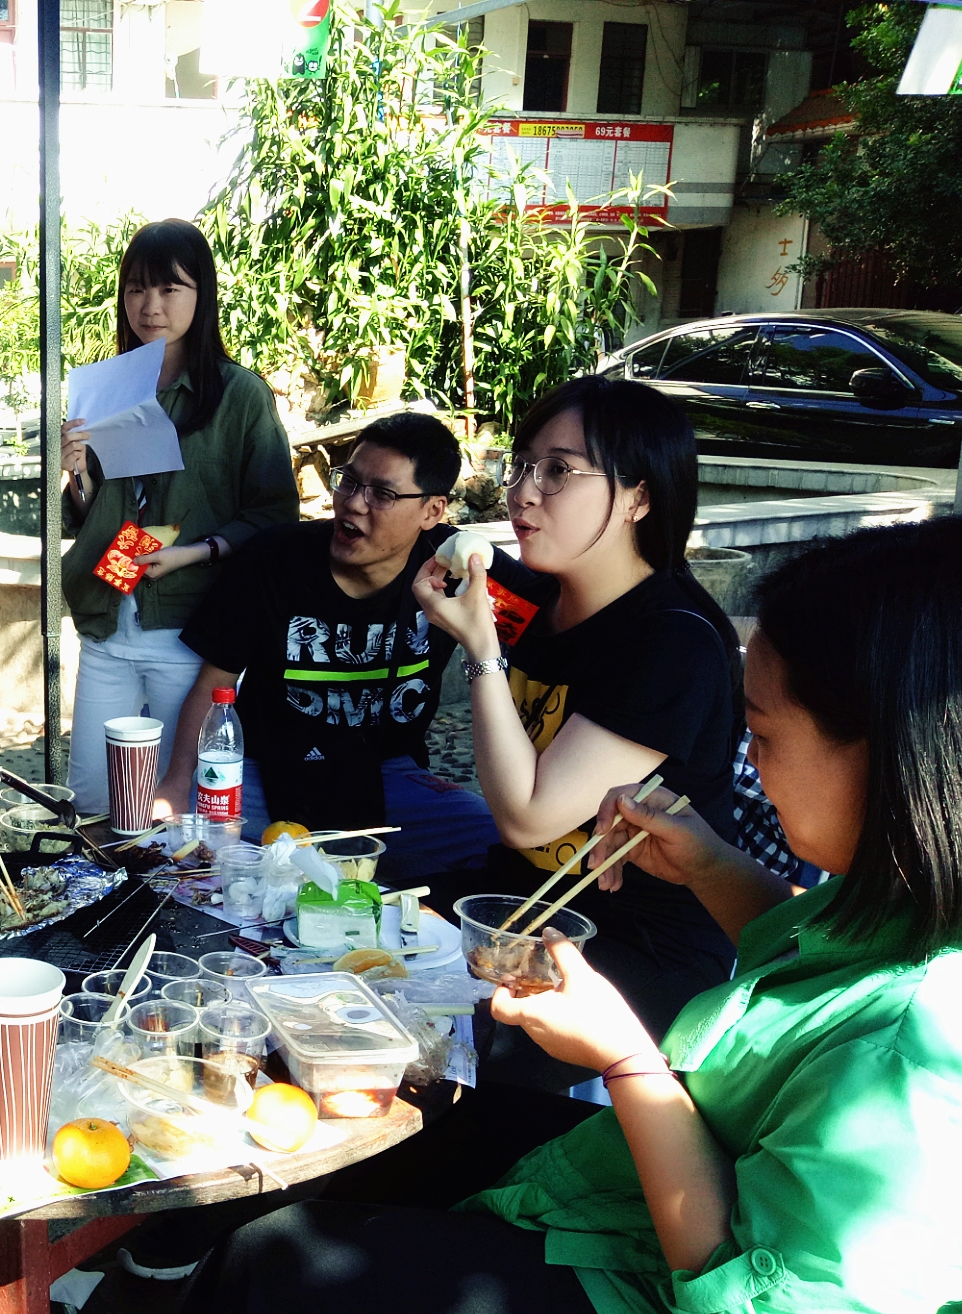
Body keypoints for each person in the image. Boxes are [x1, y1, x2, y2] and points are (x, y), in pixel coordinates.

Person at [142, 516, 962, 1314]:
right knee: (404, 1136)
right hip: (679, 1214)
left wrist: (625, 1062)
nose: (744, 760)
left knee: (289, 1275)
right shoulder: (911, 894)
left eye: (759, 734)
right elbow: (812, 967)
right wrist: (708, 861)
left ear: (893, 758)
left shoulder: (926, 1041)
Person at [412, 376, 741, 1076]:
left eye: (559, 471)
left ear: (640, 497)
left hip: (635, 949)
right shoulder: (540, 595)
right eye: (522, 464)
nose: (524, 491)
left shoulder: (673, 642)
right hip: (519, 909)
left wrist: (482, 654)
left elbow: (529, 817)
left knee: (428, 1060)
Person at [153, 411, 495, 883]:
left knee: (495, 838)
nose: (354, 504)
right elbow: (215, 685)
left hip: (386, 775)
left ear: (432, 511)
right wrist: (173, 787)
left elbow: (559, 619)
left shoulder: (456, 571)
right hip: (267, 768)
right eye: (349, 482)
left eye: (382, 494)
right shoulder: (273, 559)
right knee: (180, 847)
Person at [59, 219, 297, 820]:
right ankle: (102, 908)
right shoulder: (107, 386)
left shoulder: (240, 395)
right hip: (109, 616)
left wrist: (198, 551)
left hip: (194, 630)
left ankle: (169, 913)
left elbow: (274, 515)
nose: (151, 305)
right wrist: (79, 474)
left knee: (180, 808)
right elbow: (91, 513)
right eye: (137, 288)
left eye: (170, 289)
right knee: (94, 797)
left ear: (202, 294)